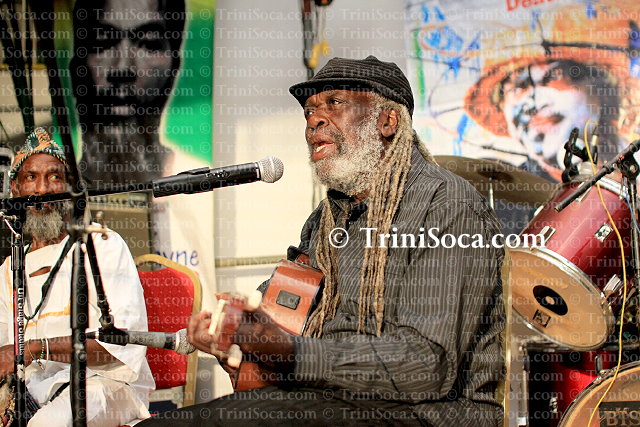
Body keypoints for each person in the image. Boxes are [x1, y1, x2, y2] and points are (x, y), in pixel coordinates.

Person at [140, 56, 505, 426]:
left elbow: (427, 366)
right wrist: (236, 333)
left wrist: (291, 351)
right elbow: (283, 309)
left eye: (335, 103)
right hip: (331, 401)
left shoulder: (448, 207)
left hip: (429, 415)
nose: (314, 120)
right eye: (310, 111)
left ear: (387, 121)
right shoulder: (328, 216)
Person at [0, 128, 154, 426]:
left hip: (104, 385)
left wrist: (35, 349)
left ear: (70, 187)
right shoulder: (9, 269)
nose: (42, 189)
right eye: (31, 177)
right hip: (33, 391)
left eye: (54, 176)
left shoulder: (102, 245)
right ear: (16, 190)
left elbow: (120, 346)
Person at [464, 4, 640, 183]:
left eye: (556, 75)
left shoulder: (633, 162)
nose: (535, 101)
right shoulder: (513, 190)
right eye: (518, 87)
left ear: (602, 88)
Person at [70, 0, 186, 185]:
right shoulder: (52, 191)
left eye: (148, 44)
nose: (123, 69)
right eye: (103, 42)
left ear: (174, 69)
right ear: (76, 69)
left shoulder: (197, 189)